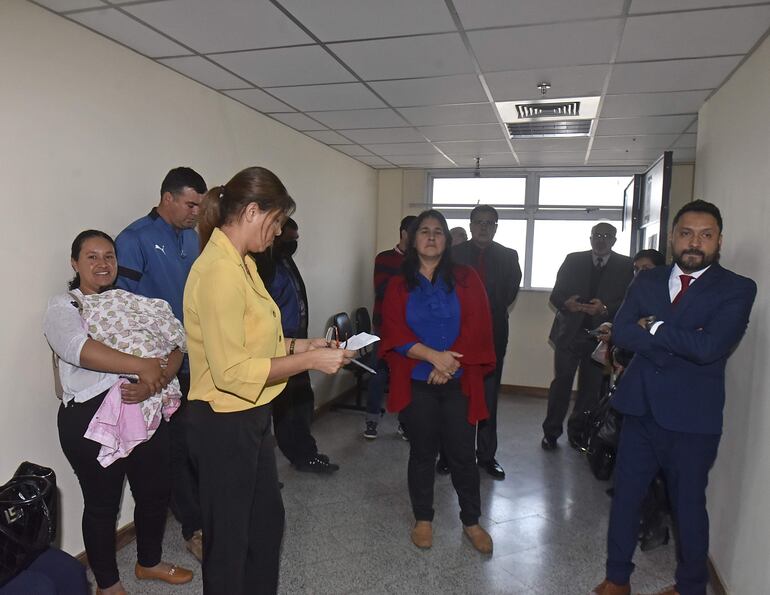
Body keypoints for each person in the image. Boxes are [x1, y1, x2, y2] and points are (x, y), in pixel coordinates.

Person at [184, 166, 355, 595]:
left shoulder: (242, 264)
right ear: (253, 211)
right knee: (229, 543)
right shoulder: (219, 271)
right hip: (223, 421)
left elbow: (262, 343)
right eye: (276, 221)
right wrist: (311, 361)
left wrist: (308, 345)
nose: (278, 233)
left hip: (251, 416)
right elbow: (233, 372)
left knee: (264, 526)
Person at [592, 200, 756, 595]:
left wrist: (655, 326)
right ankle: (617, 578)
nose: (695, 242)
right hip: (640, 409)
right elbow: (623, 333)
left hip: (692, 420)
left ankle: (690, 586)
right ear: (672, 237)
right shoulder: (647, 280)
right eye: (686, 233)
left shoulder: (737, 288)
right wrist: (673, 337)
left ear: (719, 240)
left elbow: (711, 347)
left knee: (687, 507)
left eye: (706, 235)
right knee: (627, 499)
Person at [44, 230, 193, 595]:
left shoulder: (133, 302)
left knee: (156, 492)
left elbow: (174, 345)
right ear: (75, 263)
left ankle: (149, 562)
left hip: (146, 406)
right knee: (102, 504)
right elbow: (78, 349)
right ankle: (108, 585)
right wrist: (143, 365)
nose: (102, 263)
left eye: (109, 256)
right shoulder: (65, 306)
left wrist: (154, 380)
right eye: (92, 256)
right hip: (92, 418)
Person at [380, 209, 496, 554]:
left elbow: (478, 325)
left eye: (438, 232)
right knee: (422, 453)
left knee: (462, 454)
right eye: (424, 231)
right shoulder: (399, 284)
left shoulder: (466, 277)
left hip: (459, 379)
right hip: (417, 379)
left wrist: (448, 363)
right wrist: (433, 357)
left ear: (447, 241)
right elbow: (393, 331)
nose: (431, 236)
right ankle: (423, 520)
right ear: (413, 239)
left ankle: (472, 521)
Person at [115, 166, 207, 560]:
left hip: (196, 359)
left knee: (198, 444)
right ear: (167, 197)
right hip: (162, 367)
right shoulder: (134, 239)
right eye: (190, 204)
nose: (196, 212)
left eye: (200, 206)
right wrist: (143, 367)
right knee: (177, 450)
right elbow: (121, 307)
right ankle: (195, 528)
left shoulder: (194, 237)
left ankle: (205, 517)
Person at [253, 218, 339, 473]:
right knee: (282, 410)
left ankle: (303, 453)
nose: (294, 242)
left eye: (296, 239)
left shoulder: (283, 261)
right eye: (290, 238)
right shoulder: (263, 266)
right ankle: (269, 470)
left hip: (296, 343)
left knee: (300, 403)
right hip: (277, 350)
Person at [542, 222, 634, 451]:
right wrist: (567, 304)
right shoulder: (573, 259)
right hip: (569, 335)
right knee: (561, 385)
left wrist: (604, 309)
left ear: (614, 240)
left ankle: (577, 433)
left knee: (590, 390)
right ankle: (551, 433)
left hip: (600, 338)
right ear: (590, 238)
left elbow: (628, 301)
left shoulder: (625, 265)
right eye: (597, 235)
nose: (601, 240)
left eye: (606, 236)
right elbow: (556, 295)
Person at [452, 205, 522, 479]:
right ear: (470, 225)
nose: (484, 227)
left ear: (496, 227)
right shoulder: (454, 254)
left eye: (490, 223)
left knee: (489, 398)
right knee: (456, 399)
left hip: (492, 336)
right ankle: (451, 454)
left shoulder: (508, 256)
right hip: (457, 336)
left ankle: (487, 456)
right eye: (479, 222)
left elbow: (507, 294)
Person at [364, 214, 416, 440]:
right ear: (404, 233)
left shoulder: (420, 260)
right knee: (378, 374)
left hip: (410, 329)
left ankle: (405, 423)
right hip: (384, 327)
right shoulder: (384, 258)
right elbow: (383, 289)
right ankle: (372, 421)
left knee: (406, 376)